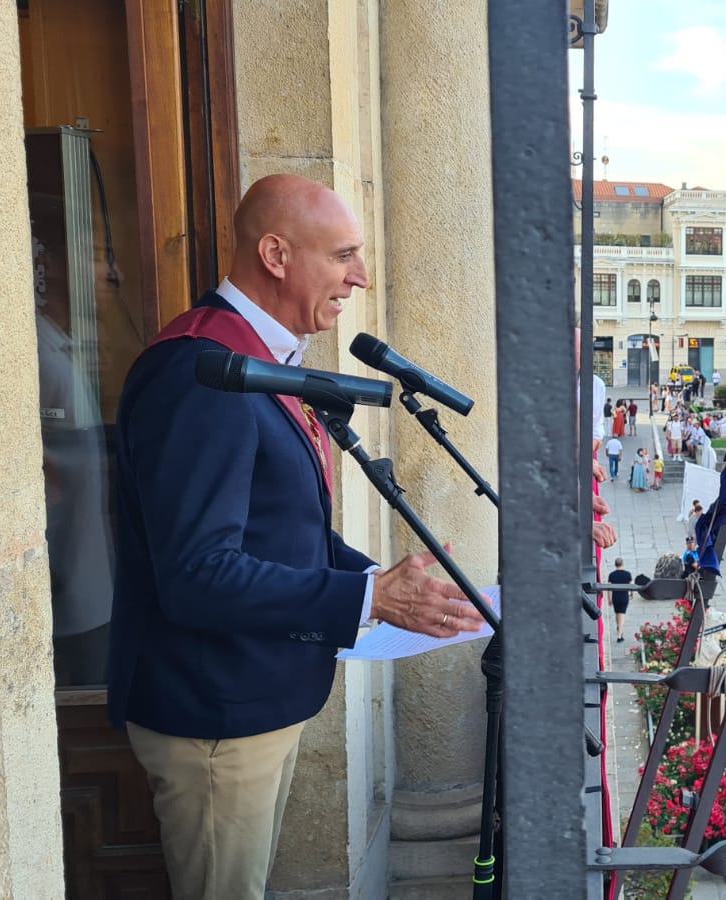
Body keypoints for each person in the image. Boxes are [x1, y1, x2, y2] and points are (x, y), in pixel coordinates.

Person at [107, 175, 483, 899]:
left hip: (249, 702)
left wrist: (393, 585)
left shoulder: (256, 356)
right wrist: (368, 596)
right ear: (276, 254)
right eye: (343, 254)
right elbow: (197, 572)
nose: (360, 277)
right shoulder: (201, 372)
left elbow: (278, 528)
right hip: (212, 716)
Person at [607, 558, 633, 643]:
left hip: (615, 597)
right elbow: (631, 585)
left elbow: (609, 588)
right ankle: (619, 635)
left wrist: (610, 599)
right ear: (622, 564)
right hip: (624, 597)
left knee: (617, 613)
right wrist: (631, 594)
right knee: (622, 615)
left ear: (615, 565)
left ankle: (618, 626)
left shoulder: (612, 575)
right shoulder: (627, 574)